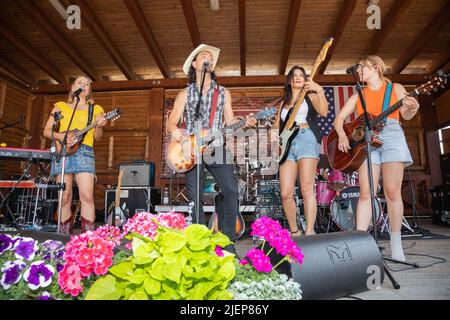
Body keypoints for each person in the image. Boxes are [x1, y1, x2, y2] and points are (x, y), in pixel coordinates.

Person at [167, 44, 256, 254]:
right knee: (195, 196)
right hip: (189, 149)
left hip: (216, 146)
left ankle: (227, 241)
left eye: (210, 57)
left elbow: (231, 121)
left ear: (212, 64)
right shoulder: (184, 94)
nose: (207, 58)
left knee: (231, 190)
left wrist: (246, 122)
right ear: (196, 65)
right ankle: (198, 242)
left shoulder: (223, 93)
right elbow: (171, 124)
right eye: (202, 56)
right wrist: (184, 140)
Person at [334, 55, 419, 262]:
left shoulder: (395, 88)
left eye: (361, 67)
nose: (359, 71)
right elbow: (339, 119)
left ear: (375, 68)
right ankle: (359, 242)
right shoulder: (358, 95)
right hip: (368, 141)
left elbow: (407, 115)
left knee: (392, 191)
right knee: (366, 191)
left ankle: (396, 242)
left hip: (391, 134)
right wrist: (343, 135)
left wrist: (412, 106)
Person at [43, 76, 107, 234]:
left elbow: (97, 137)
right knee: (64, 197)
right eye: (80, 83)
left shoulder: (96, 109)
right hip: (63, 151)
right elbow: (47, 131)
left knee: (87, 196)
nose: (84, 85)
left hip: (84, 151)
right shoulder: (60, 106)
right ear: (73, 87)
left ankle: (88, 239)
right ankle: (64, 237)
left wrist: (99, 126)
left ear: (89, 90)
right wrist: (62, 137)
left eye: (87, 84)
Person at [272, 66, 329, 236]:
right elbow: (276, 127)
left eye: (301, 75)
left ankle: (310, 232)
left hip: (306, 138)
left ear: (305, 80)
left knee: (306, 188)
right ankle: (295, 231)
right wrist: (273, 135)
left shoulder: (310, 96)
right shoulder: (283, 102)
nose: (297, 78)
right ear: (289, 80)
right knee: (285, 192)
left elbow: (324, 112)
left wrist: (319, 90)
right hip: (287, 144)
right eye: (294, 75)